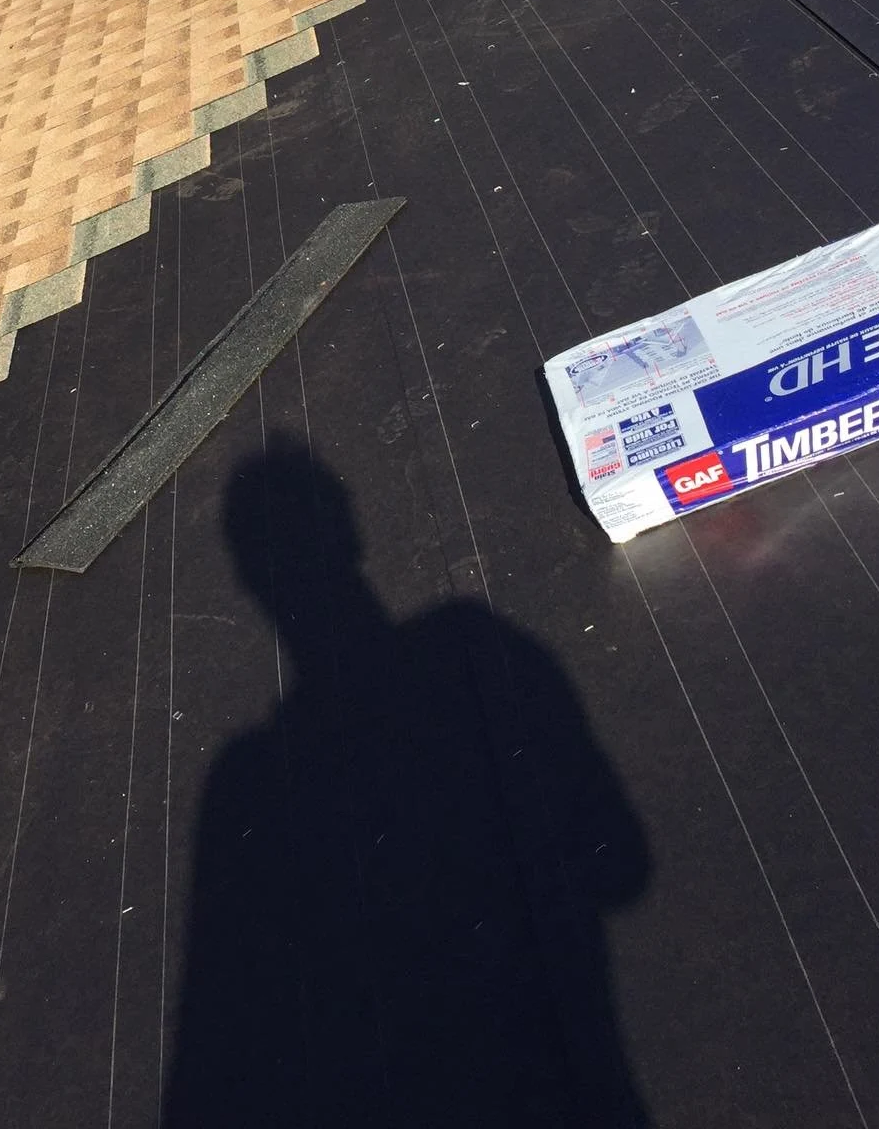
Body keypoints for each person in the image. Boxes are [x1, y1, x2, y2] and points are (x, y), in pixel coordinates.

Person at [163, 439, 650, 1127]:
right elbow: (622, 865)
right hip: (556, 1066)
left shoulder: (248, 780)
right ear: (352, 533)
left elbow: (223, 1029)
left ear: (250, 579)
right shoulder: (477, 647)